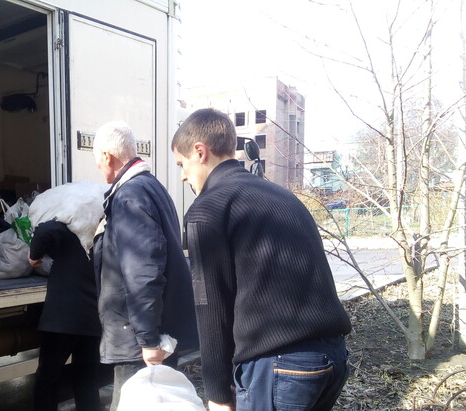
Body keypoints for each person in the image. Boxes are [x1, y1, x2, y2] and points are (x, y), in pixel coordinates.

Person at [171, 108, 352, 411]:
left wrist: (217, 393)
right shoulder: (280, 195)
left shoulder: (208, 208)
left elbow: (210, 306)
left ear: (200, 152)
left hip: (280, 367)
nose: (182, 175)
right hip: (331, 357)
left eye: (181, 163)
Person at [91, 120, 198, 411]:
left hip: (138, 341)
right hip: (150, 333)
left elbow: (143, 271)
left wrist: (148, 340)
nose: (98, 167)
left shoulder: (129, 195)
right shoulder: (152, 187)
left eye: (97, 160)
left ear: (107, 156)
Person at [29, 220, 102, 411]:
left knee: (47, 380)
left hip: (62, 319)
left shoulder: (70, 225)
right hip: (93, 315)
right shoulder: (103, 227)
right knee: (86, 380)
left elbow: (44, 230)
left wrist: (34, 256)